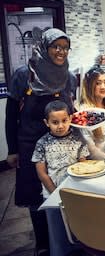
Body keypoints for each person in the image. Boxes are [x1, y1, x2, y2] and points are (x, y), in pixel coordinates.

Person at [5, 28, 77, 255]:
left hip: (62, 144)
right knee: (36, 194)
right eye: (56, 46)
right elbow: (10, 116)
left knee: (63, 189)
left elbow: (70, 111)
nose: (61, 52)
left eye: (65, 47)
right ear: (45, 47)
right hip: (29, 143)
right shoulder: (23, 75)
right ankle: (43, 244)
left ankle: (67, 237)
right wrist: (12, 150)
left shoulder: (68, 76)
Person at [32, 100, 89, 198]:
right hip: (51, 193)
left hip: (76, 191)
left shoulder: (78, 139)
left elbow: (82, 166)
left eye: (64, 120)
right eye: (55, 122)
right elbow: (42, 174)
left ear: (70, 119)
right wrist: (55, 194)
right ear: (47, 122)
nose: (60, 126)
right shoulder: (42, 143)